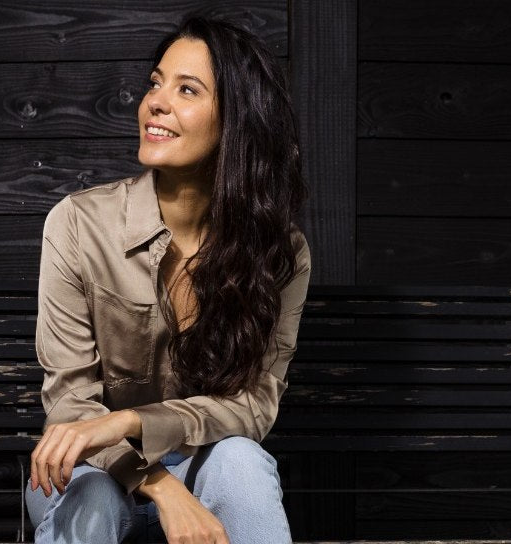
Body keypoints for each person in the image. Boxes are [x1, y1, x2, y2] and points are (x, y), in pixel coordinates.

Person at [22, 14, 308, 544]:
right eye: (155, 83)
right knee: (94, 496)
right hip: (87, 469)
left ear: (237, 120)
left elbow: (253, 407)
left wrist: (130, 421)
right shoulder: (78, 225)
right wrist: (157, 483)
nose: (155, 102)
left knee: (242, 462)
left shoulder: (278, 252)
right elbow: (69, 405)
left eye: (187, 89)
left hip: (203, 468)